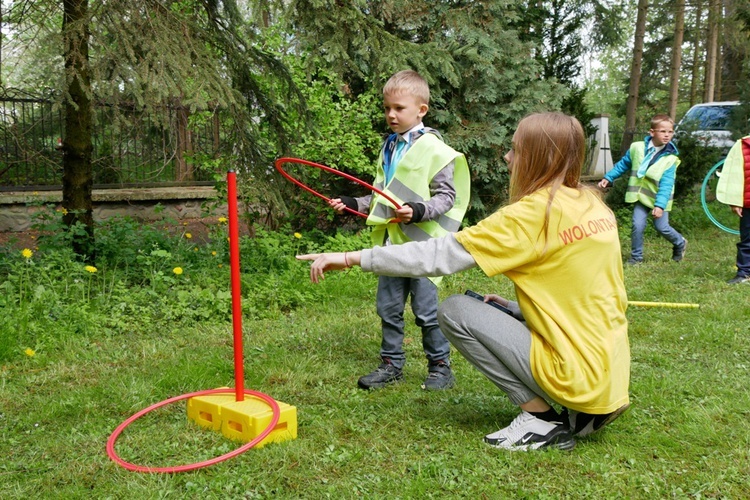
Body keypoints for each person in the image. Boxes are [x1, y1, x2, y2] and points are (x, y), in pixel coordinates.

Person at [299, 112, 631, 451]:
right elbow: (592, 290)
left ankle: (541, 421)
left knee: (456, 311)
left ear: (539, 158)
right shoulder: (593, 204)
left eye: (515, 150)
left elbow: (437, 256)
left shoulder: (533, 214)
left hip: (577, 373)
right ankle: (587, 411)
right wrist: (516, 310)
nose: (507, 157)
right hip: (611, 374)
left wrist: (351, 257)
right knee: (489, 311)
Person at [328, 69, 471, 391]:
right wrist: (353, 202)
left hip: (423, 246)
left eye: (399, 108)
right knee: (388, 308)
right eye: (387, 108)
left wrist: (419, 211)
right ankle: (391, 364)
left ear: (421, 110)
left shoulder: (436, 150)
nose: (391, 115)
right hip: (392, 244)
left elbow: (448, 197)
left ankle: (440, 367)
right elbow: (383, 194)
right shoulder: (389, 147)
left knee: (426, 311)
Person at [598, 114, 688, 265]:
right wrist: (609, 177)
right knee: (637, 225)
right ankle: (636, 257)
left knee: (662, 227)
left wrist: (659, 206)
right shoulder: (637, 148)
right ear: (652, 132)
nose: (667, 135)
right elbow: (623, 164)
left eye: (670, 132)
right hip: (640, 197)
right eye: (662, 131)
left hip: (659, 199)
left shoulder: (670, 159)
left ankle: (680, 243)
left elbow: (666, 185)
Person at [716, 136, 750, 284]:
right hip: (748, 203)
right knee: (747, 240)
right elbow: (733, 175)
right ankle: (744, 273)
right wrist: (734, 200)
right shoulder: (742, 146)